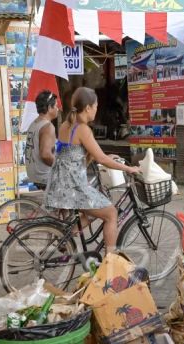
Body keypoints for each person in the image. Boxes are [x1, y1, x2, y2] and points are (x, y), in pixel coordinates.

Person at [44, 87, 140, 253]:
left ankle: (66, 235)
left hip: (59, 185)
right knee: (110, 213)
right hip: (73, 188)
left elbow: (74, 157)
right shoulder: (83, 129)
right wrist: (129, 168)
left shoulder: (65, 126)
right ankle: (111, 261)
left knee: (96, 207)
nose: (97, 110)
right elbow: (101, 159)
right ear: (88, 108)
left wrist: (104, 156)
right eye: (96, 106)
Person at [24, 90, 59, 188]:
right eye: (56, 106)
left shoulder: (34, 123)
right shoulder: (48, 126)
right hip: (44, 176)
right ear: (49, 108)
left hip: (33, 173)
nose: (58, 109)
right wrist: (60, 166)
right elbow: (45, 155)